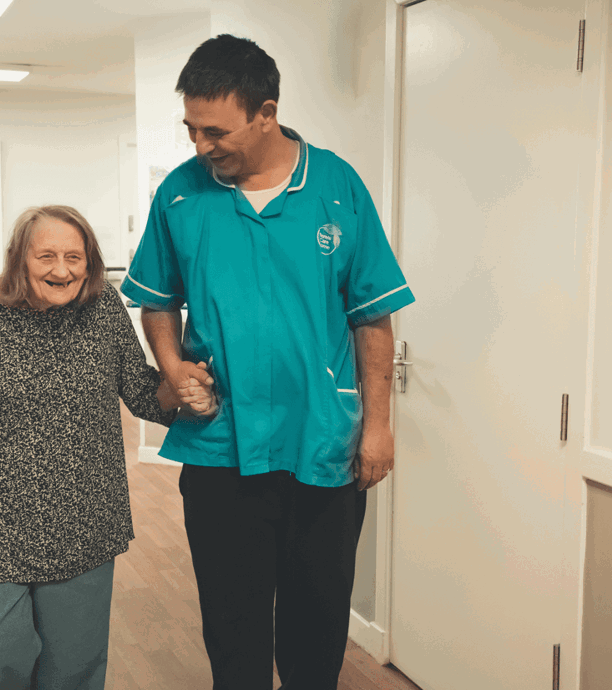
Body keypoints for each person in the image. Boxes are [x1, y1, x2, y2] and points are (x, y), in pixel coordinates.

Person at [121, 35, 415, 690]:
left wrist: (377, 425)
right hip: (219, 448)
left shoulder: (336, 187)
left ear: (265, 112)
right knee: (232, 627)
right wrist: (170, 365)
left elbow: (372, 315)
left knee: (317, 626)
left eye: (215, 131)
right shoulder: (181, 195)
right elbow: (158, 300)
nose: (201, 146)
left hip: (322, 444)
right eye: (192, 129)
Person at [0, 205, 215, 690]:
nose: (61, 270)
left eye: (74, 257)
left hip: (84, 510)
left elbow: (144, 393)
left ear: (91, 262)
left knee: (74, 664)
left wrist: (182, 386)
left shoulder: (103, 306)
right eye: (46, 256)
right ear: (19, 258)